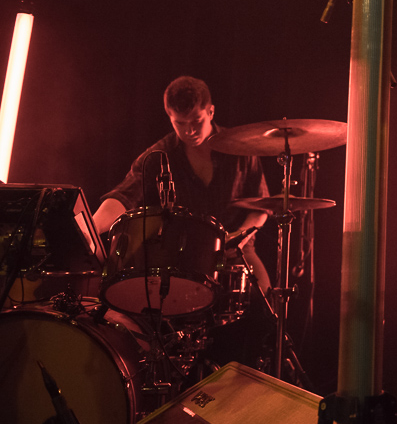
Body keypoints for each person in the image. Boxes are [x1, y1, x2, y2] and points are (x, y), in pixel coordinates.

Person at [92, 75, 272, 296]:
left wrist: (239, 236)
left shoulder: (241, 149)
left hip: (237, 249)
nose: (190, 131)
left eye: (197, 121)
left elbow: (261, 205)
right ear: (170, 117)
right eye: (180, 123)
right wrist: (90, 229)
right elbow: (124, 196)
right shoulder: (159, 155)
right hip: (182, 254)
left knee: (268, 304)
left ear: (211, 112)